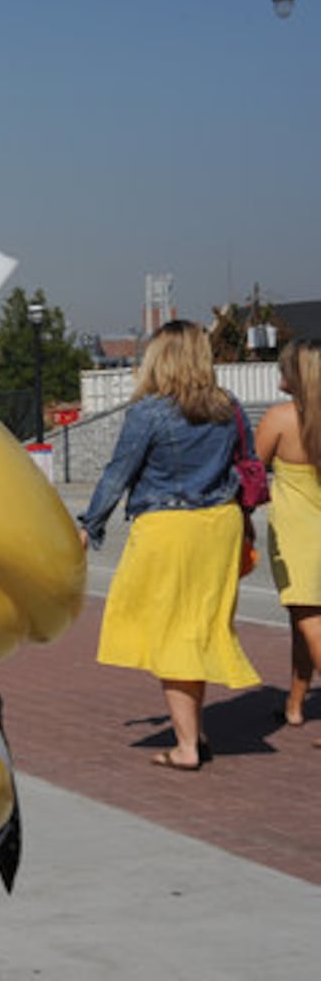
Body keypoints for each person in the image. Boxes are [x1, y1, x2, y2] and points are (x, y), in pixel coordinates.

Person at [78, 320, 260, 771]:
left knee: (170, 634)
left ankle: (186, 748)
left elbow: (117, 473)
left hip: (168, 529)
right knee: (194, 628)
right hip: (220, 525)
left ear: (161, 358)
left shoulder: (150, 412)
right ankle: (193, 729)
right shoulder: (228, 406)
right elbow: (247, 465)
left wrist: (89, 526)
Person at [255, 338, 321, 738]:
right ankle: (294, 704)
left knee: (310, 620)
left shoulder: (280, 419)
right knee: (301, 620)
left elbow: (249, 473)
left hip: (299, 539)